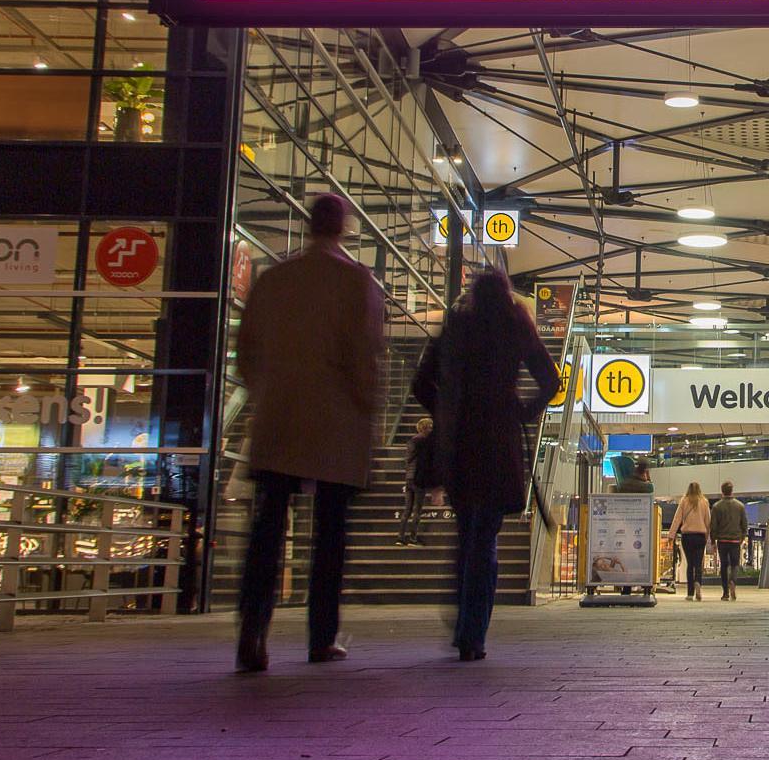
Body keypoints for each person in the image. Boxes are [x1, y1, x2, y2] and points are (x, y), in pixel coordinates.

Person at [234, 193, 384, 673]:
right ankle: (321, 637)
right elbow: (364, 355)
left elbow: (246, 352)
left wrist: (266, 393)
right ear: (342, 227)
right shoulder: (355, 280)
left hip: (278, 419)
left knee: (267, 531)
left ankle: (252, 632)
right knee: (330, 536)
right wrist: (368, 412)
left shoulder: (274, 279)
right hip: (335, 423)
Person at [413, 268, 560, 662]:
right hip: (498, 442)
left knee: (466, 532)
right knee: (485, 537)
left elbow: (420, 383)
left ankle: (462, 622)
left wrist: (445, 413)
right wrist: (524, 410)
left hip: (460, 444)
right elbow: (550, 379)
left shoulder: (458, 325)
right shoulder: (516, 325)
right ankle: (473, 633)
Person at [666, 482, 712, 602]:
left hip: (687, 536)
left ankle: (690, 593)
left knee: (690, 564)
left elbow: (677, 519)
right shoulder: (704, 502)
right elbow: (708, 521)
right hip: (700, 536)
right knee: (698, 564)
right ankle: (698, 584)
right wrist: (707, 537)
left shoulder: (684, 501)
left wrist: (671, 535)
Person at [396, 417, 437, 546]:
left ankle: (400, 537)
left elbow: (407, 460)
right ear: (426, 428)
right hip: (419, 478)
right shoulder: (426, 442)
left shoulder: (412, 441)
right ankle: (413, 538)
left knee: (407, 509)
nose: (432, 429)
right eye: (430, 426)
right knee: (417, 510)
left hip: (409, 478)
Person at [710, 481, 747, 601]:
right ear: (732, 490)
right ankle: (733, 581)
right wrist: (742, 537)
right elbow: (744, 524)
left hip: (722, 540)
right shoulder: (740, 506)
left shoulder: (716, 506)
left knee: (724, 566)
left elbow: (713, 526)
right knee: (735, 564)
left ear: (722, 491)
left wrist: (713, 540)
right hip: (735, 541)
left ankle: (725, 592)